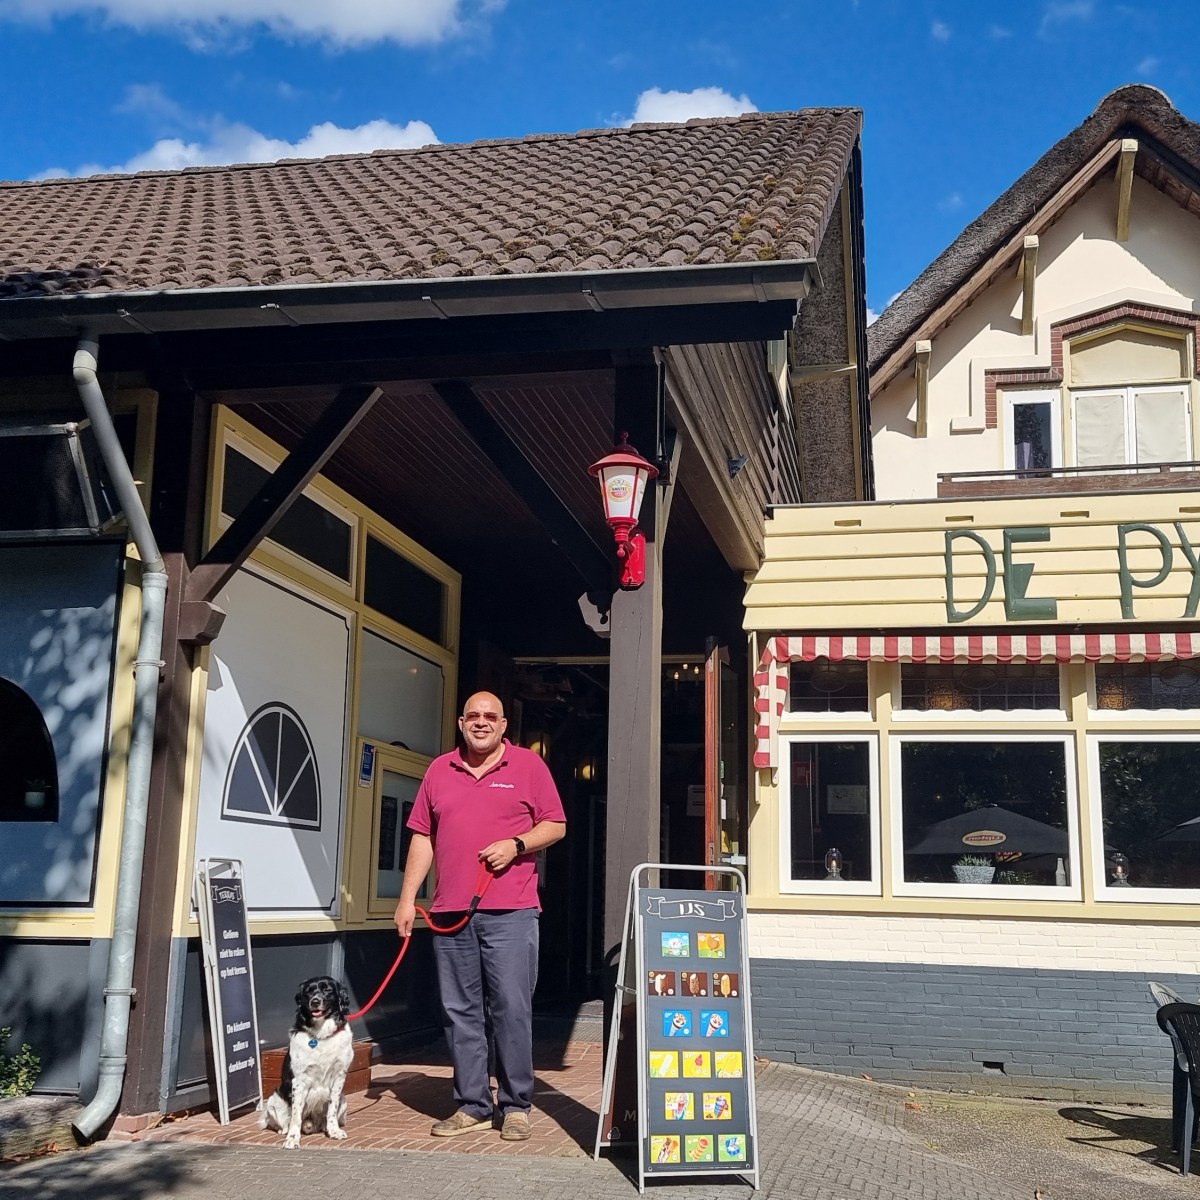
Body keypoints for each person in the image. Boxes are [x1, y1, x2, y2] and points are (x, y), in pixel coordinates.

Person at [394, 691, 566, 1142]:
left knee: (511, 1008)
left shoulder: (529, 766)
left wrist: (517, 845)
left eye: (491, 717)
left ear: (504, 724)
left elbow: (556, 823)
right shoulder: (438, 770)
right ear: (461, 722)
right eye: (474, 716)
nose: (482, 722)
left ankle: (516, 1105)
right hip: (450, 911)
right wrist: (407, 898)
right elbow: (421, 838)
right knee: (459, 1013)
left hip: (511, 911)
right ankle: (472, 1104)